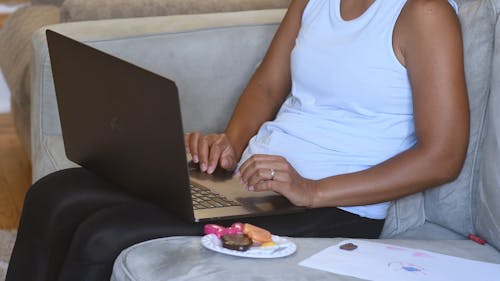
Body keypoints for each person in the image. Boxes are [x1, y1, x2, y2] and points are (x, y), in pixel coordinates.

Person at [6, 0, 469, 280]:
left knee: (103, 234)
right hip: (254, 185)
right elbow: (268, 86)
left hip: (334, 208)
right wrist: (229, 143)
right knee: (57, 192)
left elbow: (443, 156)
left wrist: (312, 190)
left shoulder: (423, 14)